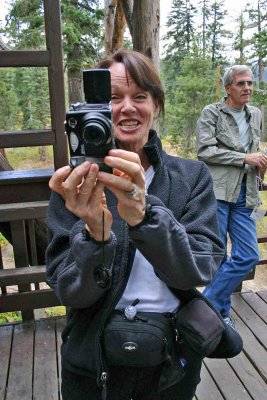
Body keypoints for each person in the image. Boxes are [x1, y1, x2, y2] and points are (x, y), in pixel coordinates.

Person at [46, 49, 224, 400]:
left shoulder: (191, 178)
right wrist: (94, 237)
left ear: (156, 105)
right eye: (113, 97)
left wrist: (145, 217)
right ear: (94, 110)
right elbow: (70, 292)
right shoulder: (76, 185)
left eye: (139, 96)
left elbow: (198, 271)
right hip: (92, 359)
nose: (127, 107)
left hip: (171, 360)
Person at [196, 64, 267, 328]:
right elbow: (205, 150)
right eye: (240, 83)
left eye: (249, 83)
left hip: (245, 194)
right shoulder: (212, 113)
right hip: (218, 192)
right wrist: (244, 157)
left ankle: (207, 305)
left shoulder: (256, 114)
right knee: (218, 255)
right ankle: (222, 314)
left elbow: (253, 147)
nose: (247, 87)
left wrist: (258, 160)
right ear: (228, 88)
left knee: (248, 255)